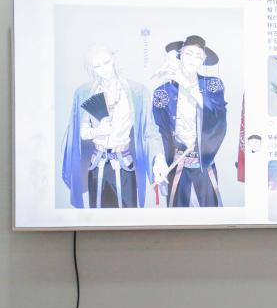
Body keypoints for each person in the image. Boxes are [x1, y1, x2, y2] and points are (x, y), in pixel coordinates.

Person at [62, 45, 167, 208]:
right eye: (97, 66)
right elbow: (78, 134)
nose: (104, 69)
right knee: (97, 217)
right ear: (91, 68)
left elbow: (150, 131)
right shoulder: (84, 92)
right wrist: (98, 131)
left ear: (114, 59)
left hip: (125, 163)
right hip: (96, 165)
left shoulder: (137, 92)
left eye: (106, 62)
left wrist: (158, 159)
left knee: (128, 217)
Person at [151, 35, 227, 207]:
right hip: (177, 164)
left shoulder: (213, 85)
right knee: (178, 216)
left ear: (204, 60)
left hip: (204, 165)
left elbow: (217, 114)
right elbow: (158, 130)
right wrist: (159, 161)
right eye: (188, 54)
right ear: (180, 55)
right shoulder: (163, 92)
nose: (193, 59)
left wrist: (185, 82)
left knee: (210, 215)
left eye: (198, 56)